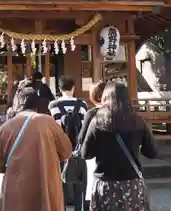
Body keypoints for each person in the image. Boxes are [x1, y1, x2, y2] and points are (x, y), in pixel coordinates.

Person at [0, 87, 72, 211]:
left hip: (16, 191)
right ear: (37, 104)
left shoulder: (5, 128)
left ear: (17, 103)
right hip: (46, 186)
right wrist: (49, 156)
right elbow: (66, 151)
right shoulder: (49, 122)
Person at [81, 82, 158, 211]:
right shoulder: (138, 121)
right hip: (131, 184)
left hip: (105, 185)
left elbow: (86, 154)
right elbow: (152, 152)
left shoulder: (97, 122)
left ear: (105, 97)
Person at [48, 77, 88, 211]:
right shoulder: (82, 105)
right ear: (74, 87)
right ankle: (80, 208)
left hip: (59, 149)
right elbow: (84, 126)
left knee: (61, 182)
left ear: (59, 89)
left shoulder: (53, 105)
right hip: (78, 148)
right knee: (80, 182)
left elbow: (53, 128)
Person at [77, 81, 108, 211]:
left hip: (95, 158)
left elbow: (81, 139)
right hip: (119, 161)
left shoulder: (92, 113)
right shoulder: (121, 113)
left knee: (93, 189)